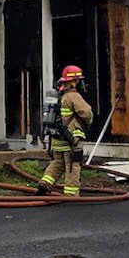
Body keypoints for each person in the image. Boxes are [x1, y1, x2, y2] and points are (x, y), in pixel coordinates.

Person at [38, 65, 93, 197]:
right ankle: (71, 194)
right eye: (78, 80)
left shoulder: (57, 95)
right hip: (71, 140)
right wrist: (88, 122)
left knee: (57, 163)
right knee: (72, 165)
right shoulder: (73, 96)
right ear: (74, 81)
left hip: (56, 139)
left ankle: (45, 184)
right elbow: (86, 113)